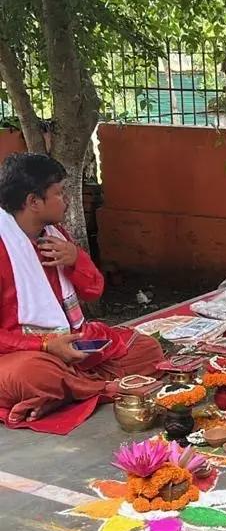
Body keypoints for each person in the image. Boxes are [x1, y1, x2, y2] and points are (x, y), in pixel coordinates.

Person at [0, 153, 162, 427]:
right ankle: (96, 388)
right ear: (33, 202)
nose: (67, 200)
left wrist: (77, 259)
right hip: (20, 355)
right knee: (33, 376)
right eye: (60, 193)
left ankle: (64, 392)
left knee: (147, 349)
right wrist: (45, 345)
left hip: (70, 343)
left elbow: (93, 291)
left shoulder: (55, 234)